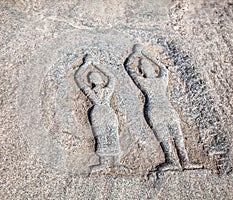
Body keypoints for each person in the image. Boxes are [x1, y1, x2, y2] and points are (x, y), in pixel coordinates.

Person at [124, 44, 202, 172]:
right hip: (153, 110)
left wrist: (146, 54)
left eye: (148, 65)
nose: (147, 67)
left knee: (178, 135)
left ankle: (185, 160)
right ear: (141, 71)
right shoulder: (144, 82)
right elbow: (128, 68)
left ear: (153, 69)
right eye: (143, 67)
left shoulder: (161, 80)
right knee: (163, 137)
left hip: (168, 108)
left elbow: (163, 68)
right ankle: (171, 160)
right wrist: (136, 54)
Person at [74, 54, 123, 173]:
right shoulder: (90, 92)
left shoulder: (107, 91)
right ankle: (103, 163)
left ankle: (116, 163)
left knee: (113, 136)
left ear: (100, 79)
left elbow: (111, 78)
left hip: (107, 111)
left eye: (95, 76)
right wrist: (86, 65)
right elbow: (78, 78)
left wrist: (96, 64)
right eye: (92, 77)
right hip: (97, 114)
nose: (94, 78)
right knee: (101, 138)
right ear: (90, 81)